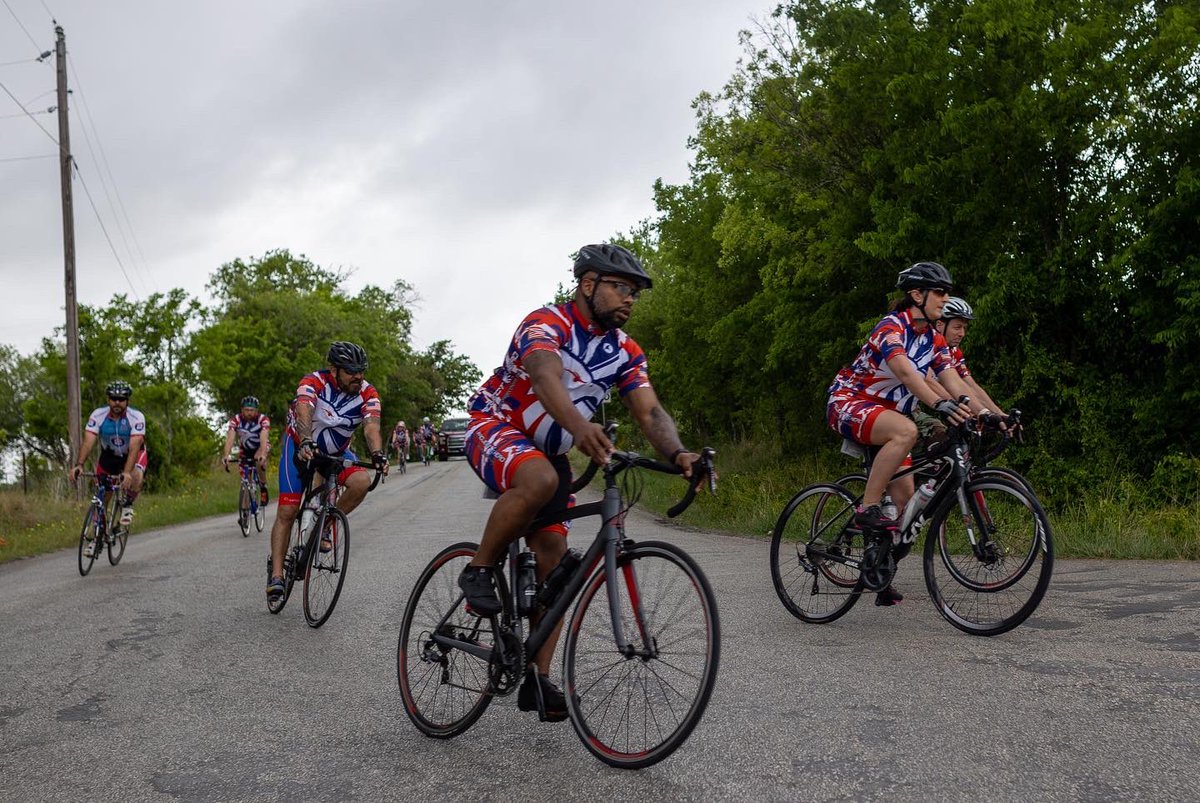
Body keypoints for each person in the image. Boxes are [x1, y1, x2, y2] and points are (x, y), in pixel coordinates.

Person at [459, 242, 701, 721]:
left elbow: (650, 410)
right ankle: (479, 569)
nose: (630, 299)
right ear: (588, 284)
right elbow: (547, 378)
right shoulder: (545, 323)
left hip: (550, 449)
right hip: (495, 426)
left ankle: (537, 678)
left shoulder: (625, 351)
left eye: (635, 292)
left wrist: (678, 452)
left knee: (554, 564)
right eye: (621, 288)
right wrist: (578, 427)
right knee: (540, 477)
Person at [826, 262, 985, 605]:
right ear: (917, 294)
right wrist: (939, 405)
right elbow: (908, 374)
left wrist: (985, 414)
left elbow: (954, 381)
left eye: (947, 292)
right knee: (907, 430)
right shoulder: (891, 327)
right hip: (849, 401)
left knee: (905, 510)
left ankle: (878, 572)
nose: (946, 298)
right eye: (940, 292)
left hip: (888, 413)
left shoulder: (934, 338)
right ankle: (867, 507)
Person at [266, 341, 389, 602]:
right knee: (287, 511)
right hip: (301, 446)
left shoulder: (368, 393)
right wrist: (307, 440)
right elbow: (303, 411)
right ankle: (277, 574)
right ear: (333, 369)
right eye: (351, 371)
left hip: (335, 452)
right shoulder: (314, 381)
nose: (358, 376)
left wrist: (378, 454)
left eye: (361, 370)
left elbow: (371, 427)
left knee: (361, 482)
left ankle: (326, 523)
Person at [69, 380, 148, 555]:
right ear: (108, 399)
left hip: (132, 454)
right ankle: (97, 538)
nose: (117, 403)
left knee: (136, 476)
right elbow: (89, 441)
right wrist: (79, 465)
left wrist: (126, 473)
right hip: (110, 455)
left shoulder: (137, 417)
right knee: (102, 498)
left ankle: (128, 503)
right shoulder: (98, 415)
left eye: (121, 399)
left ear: (127, 400)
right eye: (113, 398)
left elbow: (135, 445)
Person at [221, 395, 271, 507]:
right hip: (245, 449)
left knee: (258, 460)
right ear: (242, 410)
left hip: (260, 446)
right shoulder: (236, 420)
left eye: (252, 410)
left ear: (256, 410)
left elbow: (264, 436)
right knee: (245, 481)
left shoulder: (262, 419)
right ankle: (245, 512)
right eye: (246, 410)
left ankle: (263, 486)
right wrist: (226, 455)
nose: (249, 413)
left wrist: (263, 454)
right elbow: (230, 437)